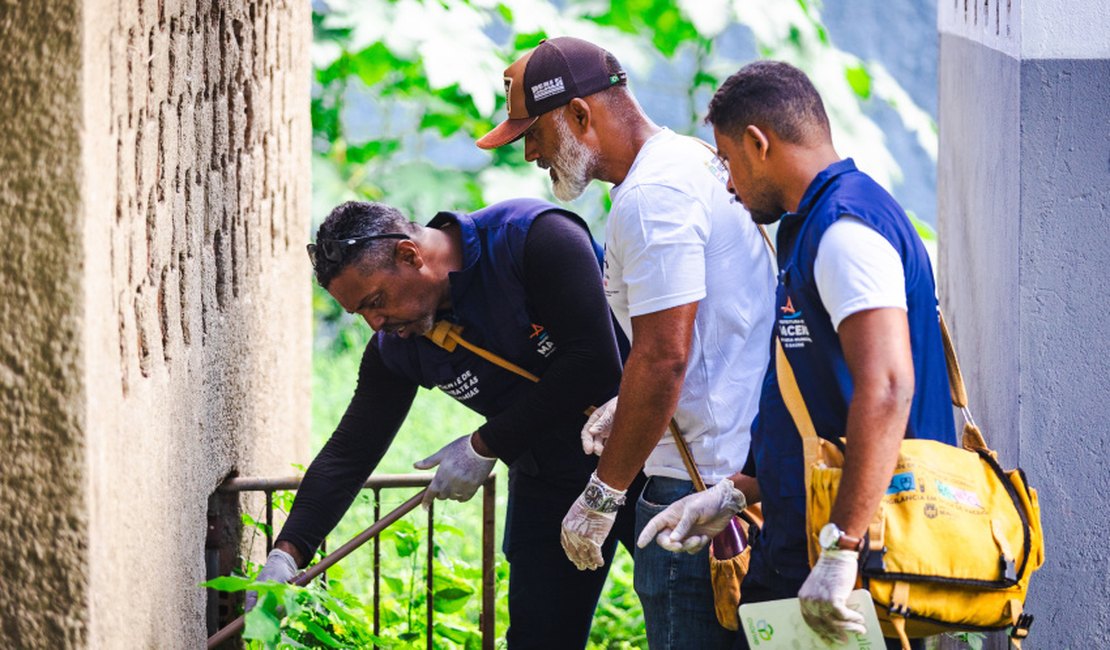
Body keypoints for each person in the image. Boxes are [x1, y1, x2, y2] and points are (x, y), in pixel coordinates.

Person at [638, 61, 956, 649]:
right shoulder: (809, 227)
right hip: (805, 547)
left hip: (852, 567)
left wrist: (844, 550)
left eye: (728, 161)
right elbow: (815, 400)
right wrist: (736, 492)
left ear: (759, 144)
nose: (729, 185)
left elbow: (887, 387)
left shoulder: (845, 228)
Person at [477, 37, 775, 649]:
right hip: (745, 478)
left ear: (580, 116)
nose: (532, 155)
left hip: (699, 503)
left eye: (534, 133)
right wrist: (628, 408)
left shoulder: (650, 199)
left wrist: (601, 495)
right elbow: (716, 329)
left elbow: (664, 357)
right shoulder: (689, 162)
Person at [249, 197, 644, 649]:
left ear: (409, 255)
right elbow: (349, 452)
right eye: (362, 313)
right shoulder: (398, 344)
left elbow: (594, 362)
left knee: (690, 610)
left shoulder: (534, 238)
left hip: (645, 453)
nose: (376, 323)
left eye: (376, 301)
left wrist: (483, 443)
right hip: (550, 479)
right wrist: (288, 552)